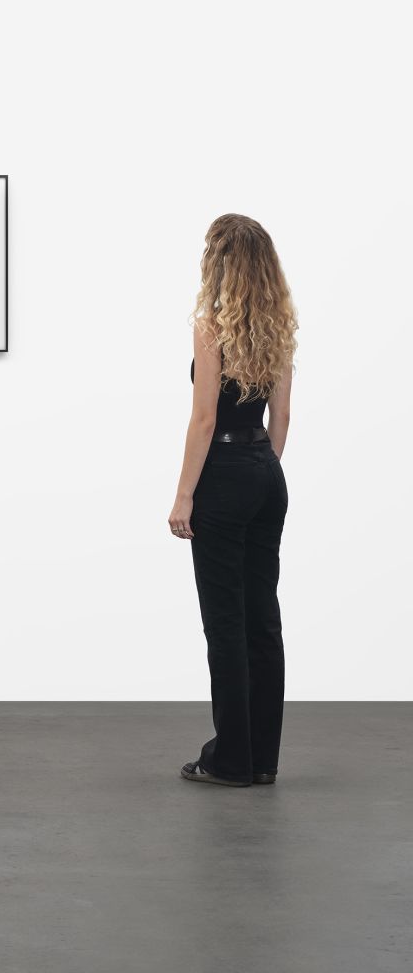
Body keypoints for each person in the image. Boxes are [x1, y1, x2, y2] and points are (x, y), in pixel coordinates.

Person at [169, 214, 298, 788]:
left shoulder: (211, 325)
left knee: (226, 623)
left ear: (218, 262)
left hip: (223, 474)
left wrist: (184, 496)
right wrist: (260, 469)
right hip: (267, 475)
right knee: (262, 619)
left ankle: (230, 762)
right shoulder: (278, 325)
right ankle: (262, 760)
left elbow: (203, 419)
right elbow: (282, 417)